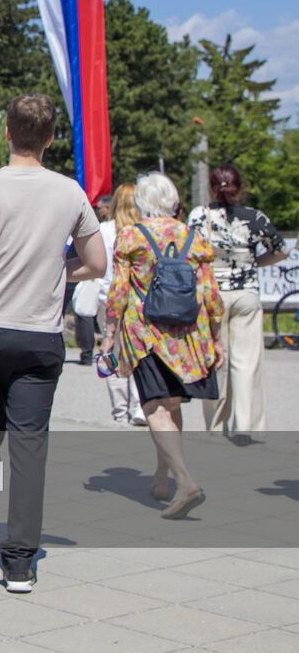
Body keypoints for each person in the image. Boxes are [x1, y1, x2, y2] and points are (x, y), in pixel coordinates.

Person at [0, 95, 105, 594]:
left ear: (7, 132)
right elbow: (96, 263)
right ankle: (19, 561)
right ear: (51, 139)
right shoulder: (70, 192)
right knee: (30, 447)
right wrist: (60, 271)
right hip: (40, 333)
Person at [102, 172, 225, 517]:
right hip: (188, 334)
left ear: (142, 201)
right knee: (172, 405)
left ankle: (185, 481)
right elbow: (211, 295)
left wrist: (109, 336)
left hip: (146, 336)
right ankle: (161, 478)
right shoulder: (194, 237)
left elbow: (119, 292)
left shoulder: (131, 237)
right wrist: (217, 339)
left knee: (155, 407)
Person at [187, 164, 288, 444]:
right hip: (246, 294)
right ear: (240, 187)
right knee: (246, 362)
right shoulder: (255, 217)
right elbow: (281, 250)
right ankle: (244, 423)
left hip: (212, 294)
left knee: (214, 360)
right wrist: (255, 262)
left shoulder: (199, 216)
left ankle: (215, 424)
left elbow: (189, 252)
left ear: (211, 187)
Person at [97, 184, 145, 425]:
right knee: (139, 353)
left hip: (106, 298)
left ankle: (119, 410)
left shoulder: (104, 230)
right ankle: (139, 407)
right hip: (138, 301)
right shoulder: (143, 230)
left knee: (111, 351)